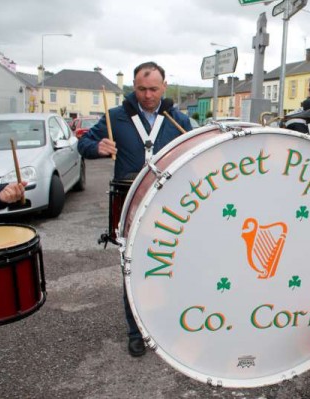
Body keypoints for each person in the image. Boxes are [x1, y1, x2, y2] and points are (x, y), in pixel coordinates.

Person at [78, 61, 193, 357]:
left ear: (164, 86)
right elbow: (84, 143)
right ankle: (136, 332)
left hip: (169, 203)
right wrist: (96, 147)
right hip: (128, 199)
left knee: (171, 266)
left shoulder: (177, 119)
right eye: (141, 89)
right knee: (132, 269)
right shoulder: (116, 117)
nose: (147, 95)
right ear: (133, 86)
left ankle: (165, 327)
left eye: (154, 89)